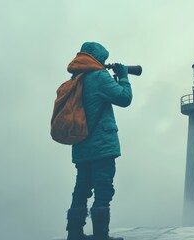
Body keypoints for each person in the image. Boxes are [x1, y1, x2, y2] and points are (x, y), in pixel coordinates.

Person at [65, 42, 132, 240]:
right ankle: (101, 235)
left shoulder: (76, 77)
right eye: (102, 59)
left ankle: (74, 233)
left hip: (81, 144)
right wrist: (124, 77)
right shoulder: (99, 77)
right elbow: (124, 98)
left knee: (82, 187)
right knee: (104, 189)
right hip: (102, 145)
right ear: (97, 58)